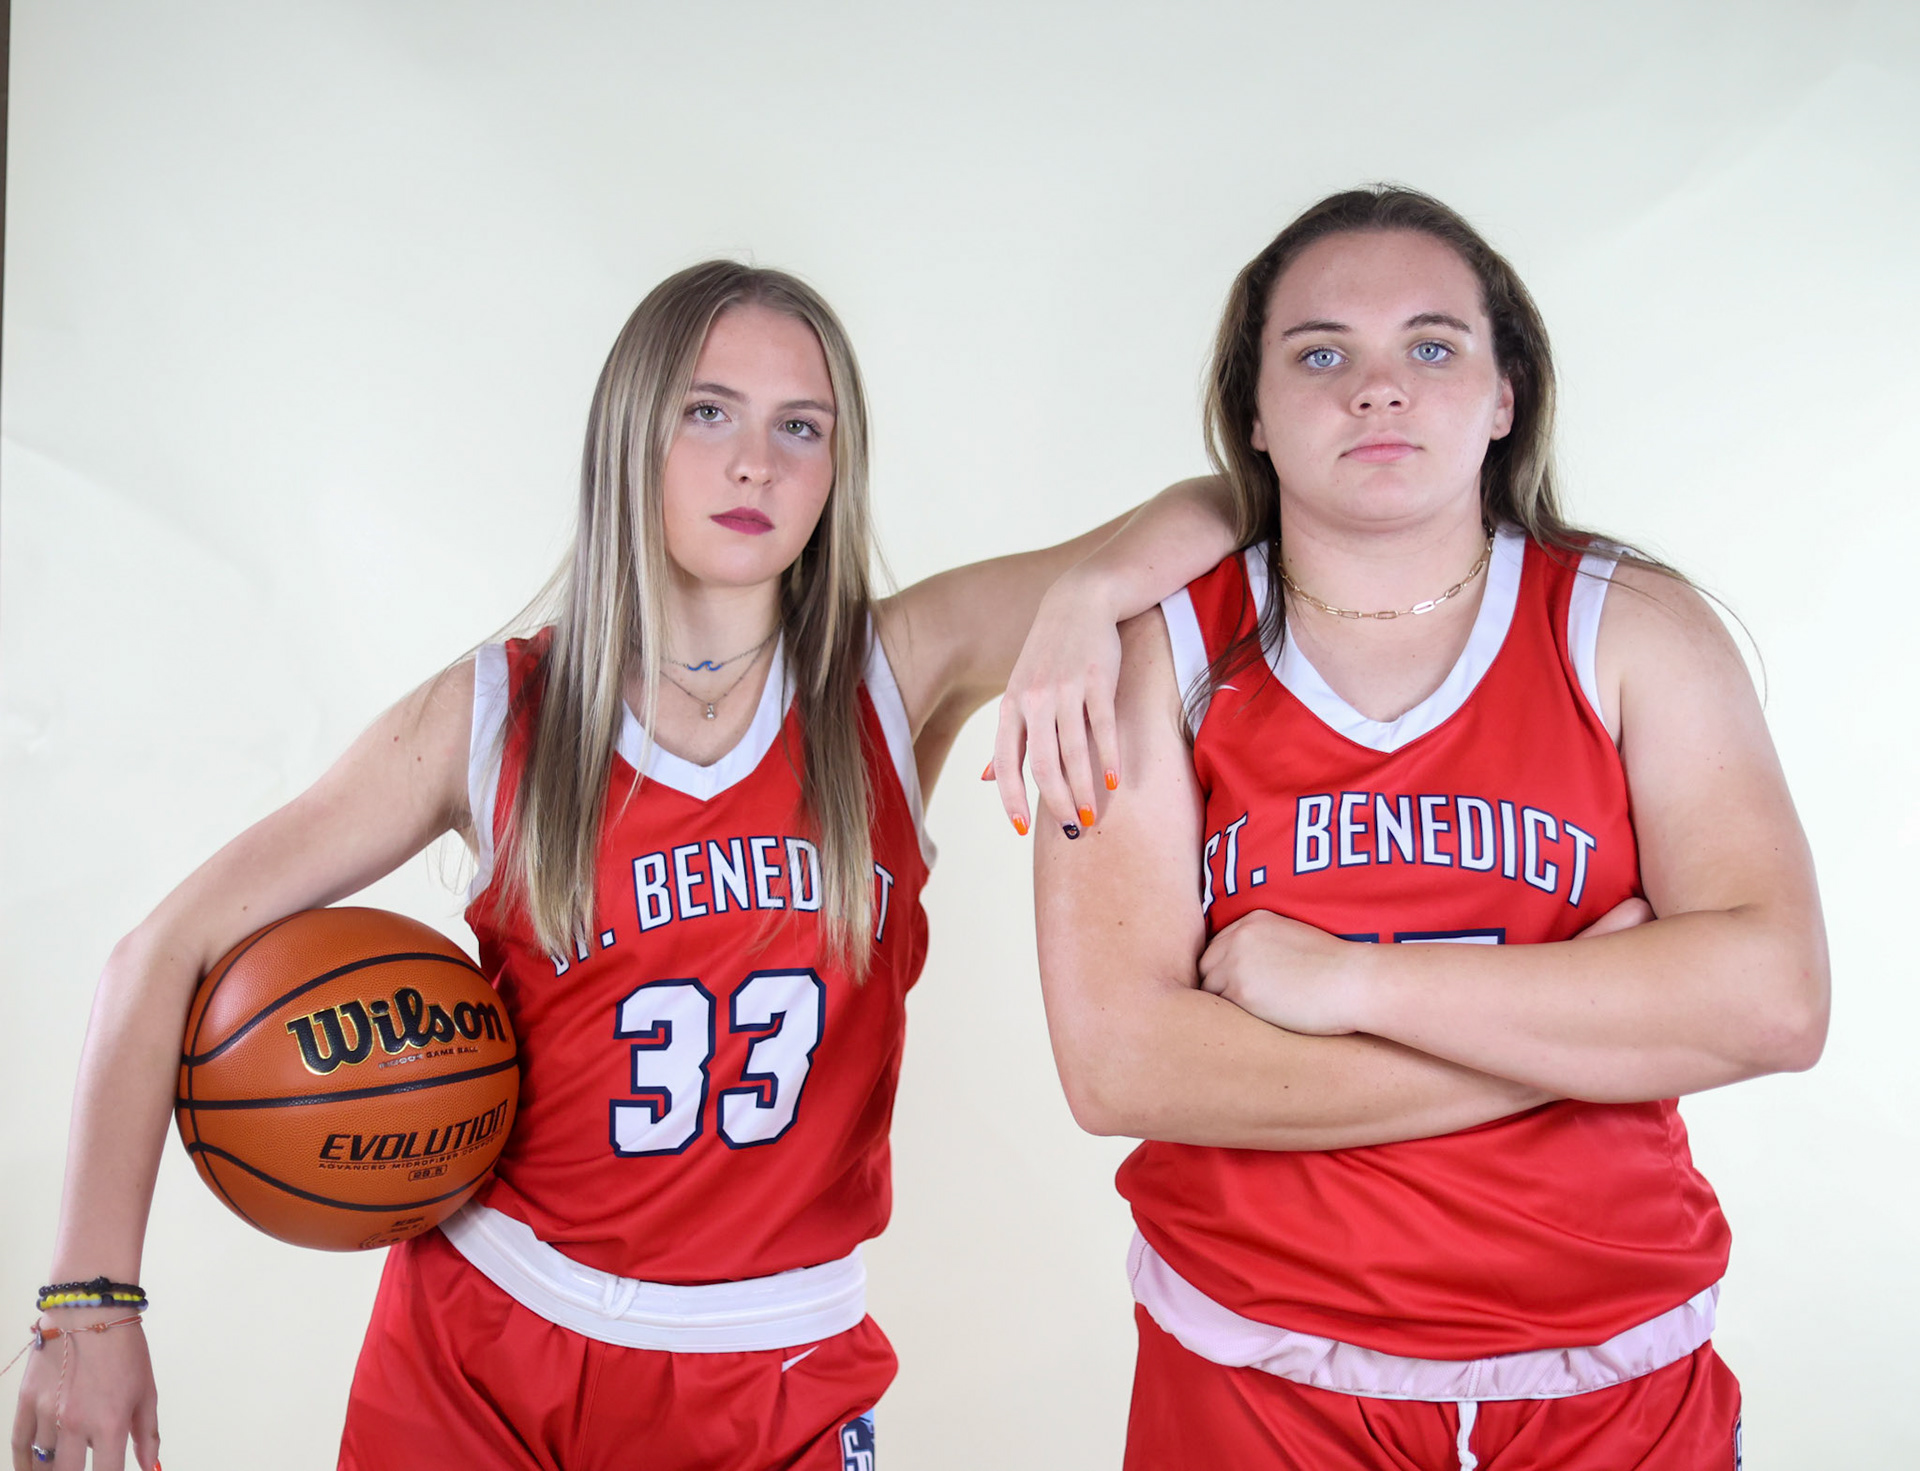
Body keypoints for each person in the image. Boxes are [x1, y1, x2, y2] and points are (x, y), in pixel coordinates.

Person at [10, 260, 1240, 1471]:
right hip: (483, 1347)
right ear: (630, 434)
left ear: (837, 467)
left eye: (800, 427)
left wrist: (1085, 597)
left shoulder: (894, 669)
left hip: (775, 1370)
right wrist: (89, 1309)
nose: (755, 463)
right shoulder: (495, 713)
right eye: (708, 412)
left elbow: (1234, 503)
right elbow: (159, 953)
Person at [1015, 187, 1828, 1470]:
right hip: (1258, 1365)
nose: (1378, 388)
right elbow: (1123, 1066)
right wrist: (1580, 1031)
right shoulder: (1153, 652)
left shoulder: (1631, 626)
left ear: (1506, 394)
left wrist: (1354, 983)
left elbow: (1774, 1000)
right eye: (1320, 353)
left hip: (1613, 1366)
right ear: (1254, 413)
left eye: (1433, 345)